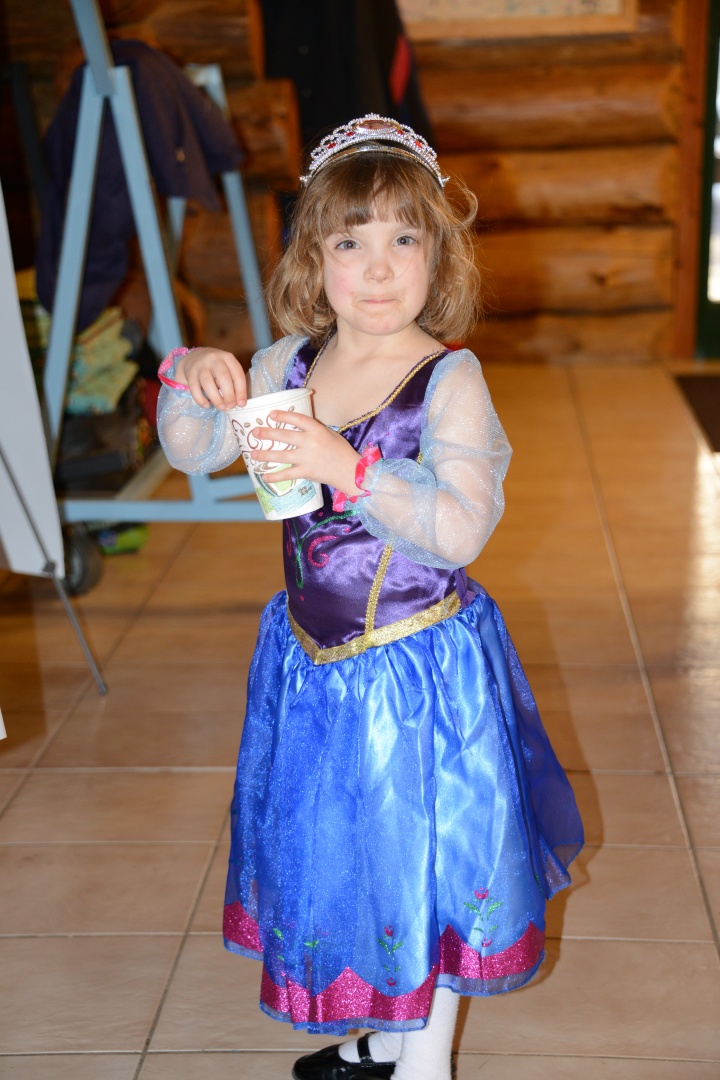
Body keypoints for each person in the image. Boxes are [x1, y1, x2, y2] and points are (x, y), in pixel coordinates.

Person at [157, 115, 584, 1080]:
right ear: (315, 256)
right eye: (351, 242)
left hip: (419, 675)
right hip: (313, 671)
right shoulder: (287, 366)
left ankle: (423, 1065)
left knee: (420, 864)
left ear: (440, 255)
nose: (379, 269)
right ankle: (386, 1036)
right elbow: (194, 446)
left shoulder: (449, 378)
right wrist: (194, 373)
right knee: (354, 857)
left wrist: (347, 468)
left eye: (405, 239)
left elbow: (463, 527)